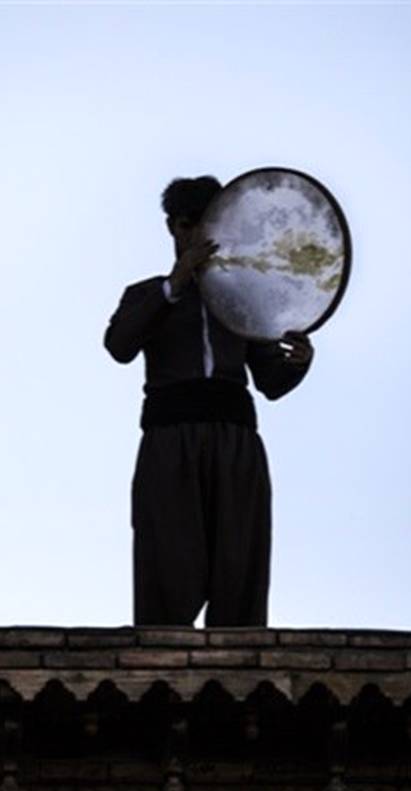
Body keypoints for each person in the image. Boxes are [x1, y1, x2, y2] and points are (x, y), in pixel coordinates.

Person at [104, 176, 314, 627]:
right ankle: (161, 660)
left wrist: (298, 363)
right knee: (166, 561)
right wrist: (174, 284)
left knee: (239, 562)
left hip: (235, 440)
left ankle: (240, 663)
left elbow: (270, 381)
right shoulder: (145, 294)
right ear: (172, 227)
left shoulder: (242, 297)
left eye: (209, 224)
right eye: (189, 225)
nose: (199, 235)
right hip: (170, 441)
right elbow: (119, 345)